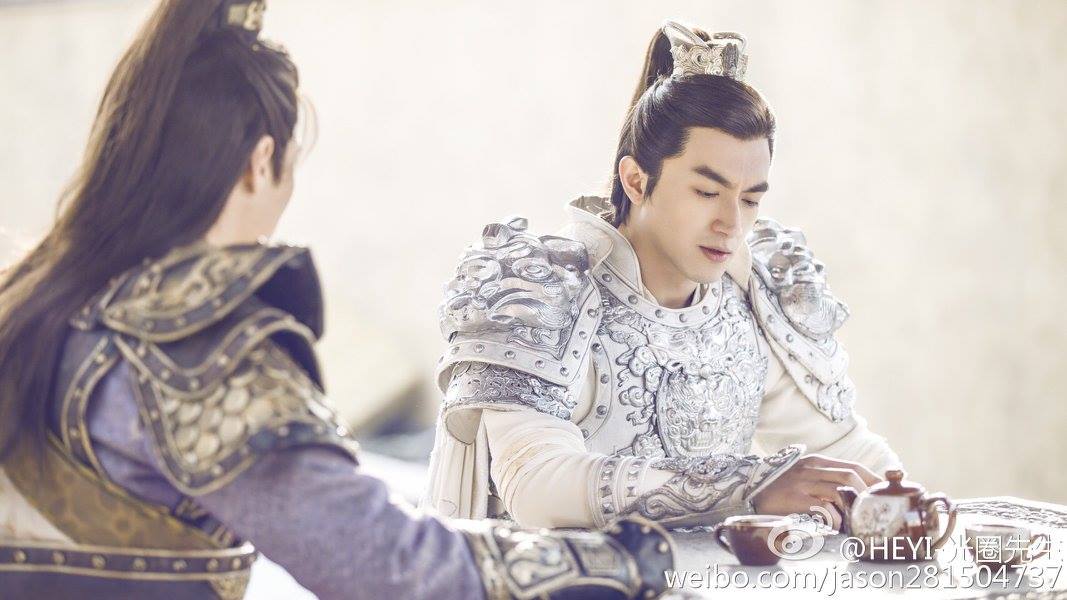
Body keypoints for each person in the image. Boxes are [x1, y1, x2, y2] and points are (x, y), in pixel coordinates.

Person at [0, 2, 676, 598]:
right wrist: (618, 562)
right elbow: (386, 566)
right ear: (261, 162)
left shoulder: (36, 300)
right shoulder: (190, 348)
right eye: (291, 165)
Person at [424, 21, 903, 532]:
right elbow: (537, 484)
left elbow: (845, 451)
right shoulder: (543, 295)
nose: (731, 224)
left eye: (750, 199)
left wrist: (908, 508)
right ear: (636, 180)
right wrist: (748, 487)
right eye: (707, 192)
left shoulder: (752, 300)